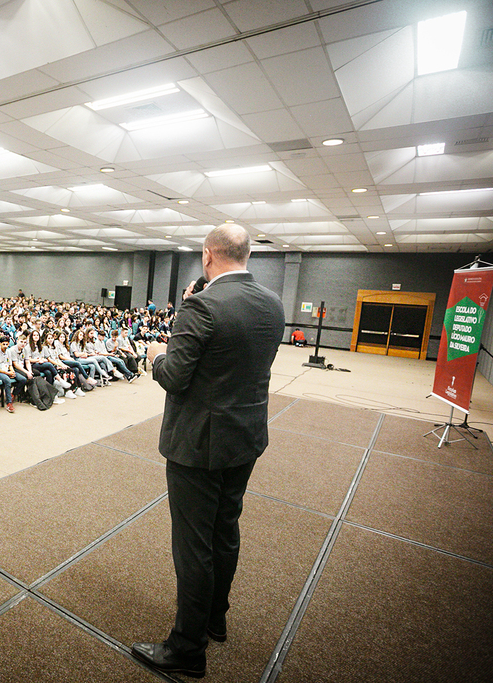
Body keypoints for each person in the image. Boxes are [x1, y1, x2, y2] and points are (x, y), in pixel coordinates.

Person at [131, 225, 285, 679]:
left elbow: (175, 375)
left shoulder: (202, 306)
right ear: (249, 253)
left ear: (207, 255)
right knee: (225, 529)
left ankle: (186, 647)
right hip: (246, 434)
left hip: (199, 441)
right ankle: (215, 617)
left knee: (193, 544)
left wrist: (158, 353)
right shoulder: (272, 303)